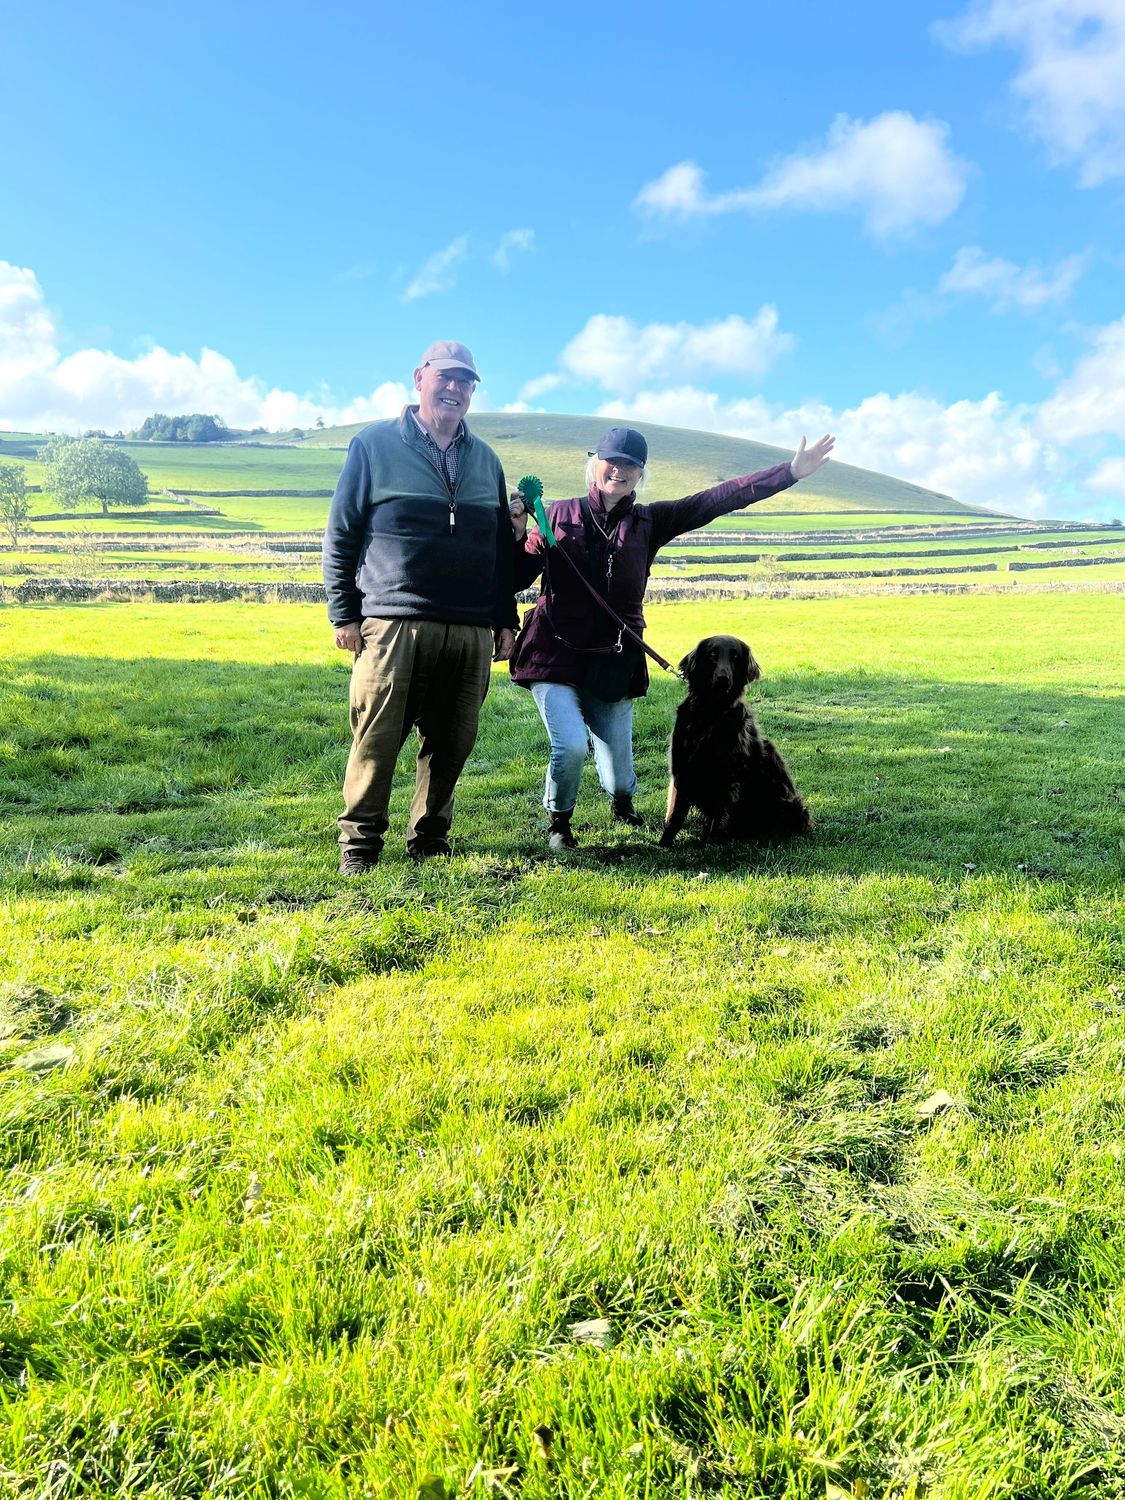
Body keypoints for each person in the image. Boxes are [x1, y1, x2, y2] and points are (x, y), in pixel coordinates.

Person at [508, 426, 835, 849]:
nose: (619, 470)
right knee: (569, 747)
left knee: (620, 778)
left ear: (640, 475)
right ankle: (559, 824)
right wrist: (517, 535)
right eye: (612, 461)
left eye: (631, 465)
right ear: (595, 463)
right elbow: (518, 575)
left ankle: (622, 803)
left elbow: (717, 499)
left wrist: (789, 472)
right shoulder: (557, 515)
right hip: (553, 652)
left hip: (613, 660)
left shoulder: (651, 521)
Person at [322, 340, 518, 872]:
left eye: (466, 380)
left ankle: (430, 838)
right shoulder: (374, 446)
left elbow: (500, 549)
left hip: (471, 626)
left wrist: (505, 618)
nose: (455, 387)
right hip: (393, 623)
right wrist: (344, 613)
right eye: (445, 377)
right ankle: (360, 844)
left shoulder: (487, 461)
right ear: (419, 378)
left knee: (453, 743)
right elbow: (341, 533)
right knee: (376, 739)